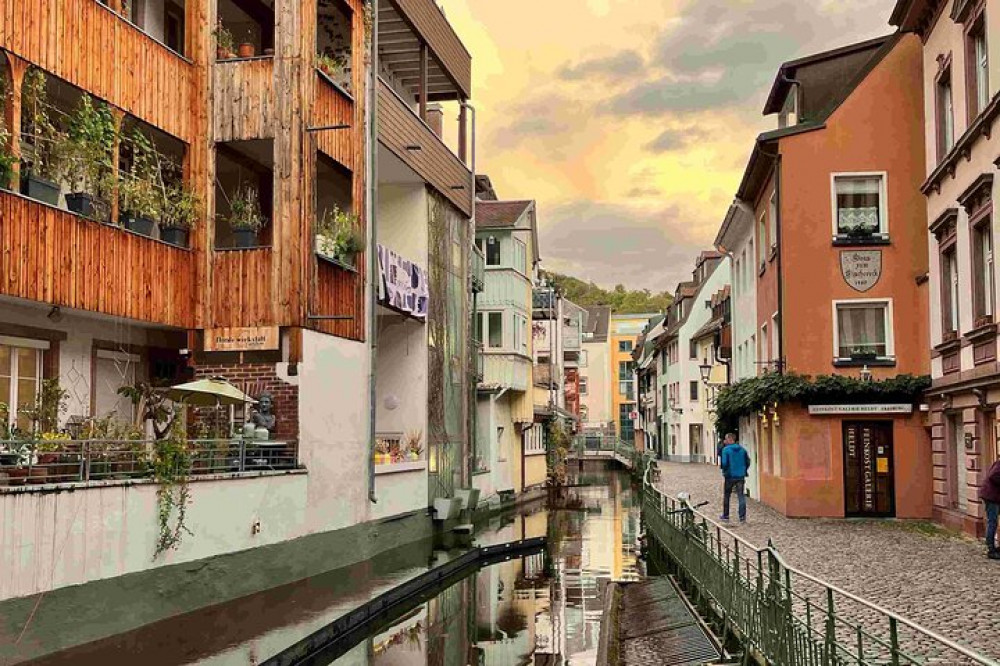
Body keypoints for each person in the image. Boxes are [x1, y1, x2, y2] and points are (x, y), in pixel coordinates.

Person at [719, 432, 751, 523]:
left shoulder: (726, 450)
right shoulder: (742, 450)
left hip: (730, 476)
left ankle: (726, 515)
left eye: (726, 439)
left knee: (727, 495)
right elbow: (748, 461)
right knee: (741, 496)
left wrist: (724, 470)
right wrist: (743, 469)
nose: (725, 441)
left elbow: (724, 463)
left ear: (730, 439)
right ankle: (742, 517)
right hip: (740, 476)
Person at [979, 457, 1000, 560]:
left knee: (993, 521)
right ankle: (991, 550)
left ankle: (994, 548)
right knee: (992, 522)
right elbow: (993, 476)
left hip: (993, 496)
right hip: (991, 497)